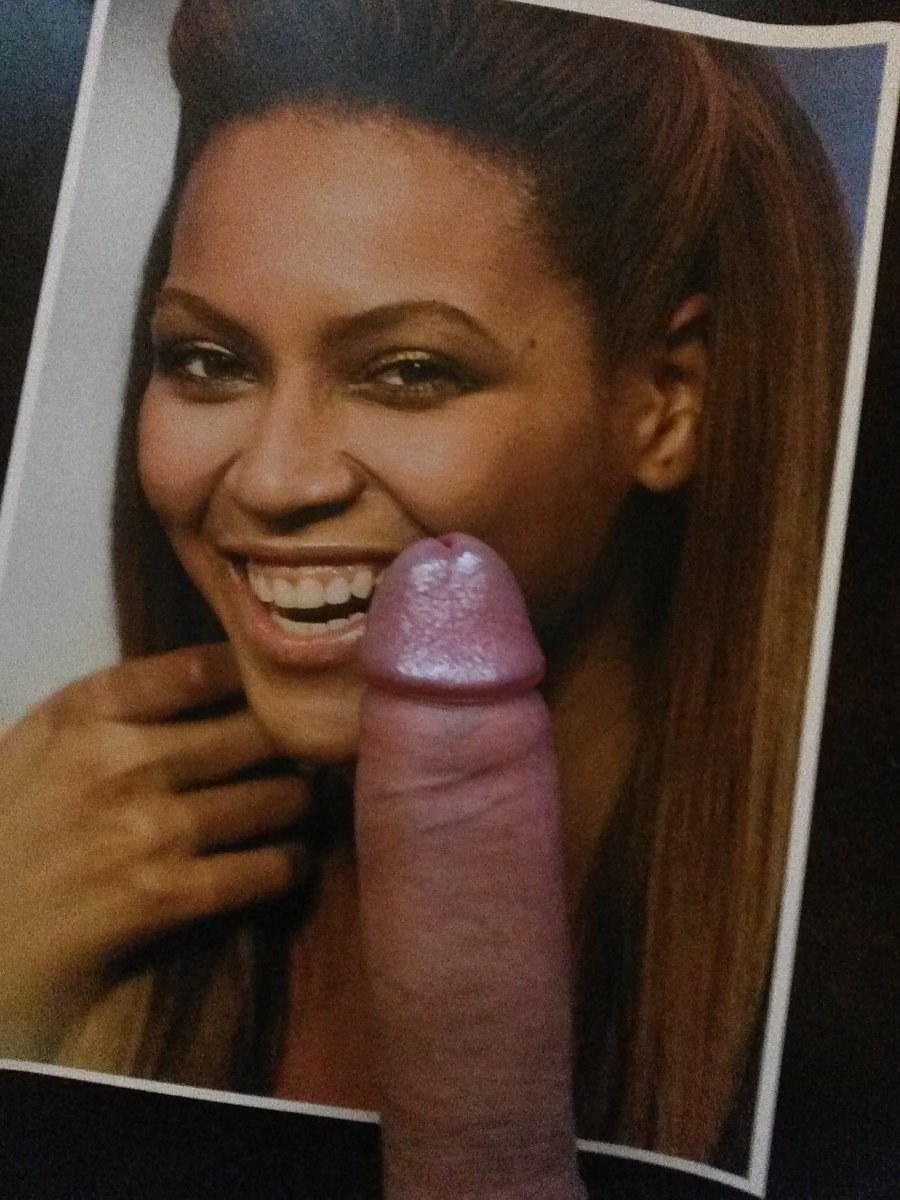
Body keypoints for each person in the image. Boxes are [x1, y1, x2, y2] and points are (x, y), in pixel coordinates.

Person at [0, 0, 853, 1176]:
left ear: (668, 402)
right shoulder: (56, 893)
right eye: (209, 360)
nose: (275, 478)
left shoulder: (831, 1004)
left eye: (408, 371)